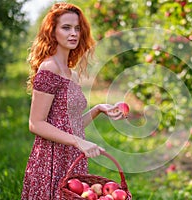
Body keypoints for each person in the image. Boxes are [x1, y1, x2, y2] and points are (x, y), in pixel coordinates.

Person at [21, 3, 125, 199]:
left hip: (71, 157)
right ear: (52, 32)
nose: (73, 33)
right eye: (66, 27)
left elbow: (70, 124)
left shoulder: (72, 74)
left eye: (77, 28)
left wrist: (98, 110)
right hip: (51, 159)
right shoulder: (49, 68)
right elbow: (36, 123)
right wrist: (79, 142)